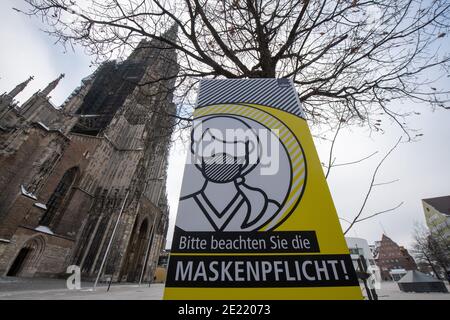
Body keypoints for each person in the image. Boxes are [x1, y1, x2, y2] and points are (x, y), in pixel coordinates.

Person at [176, 116, 280, 232]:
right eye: (212, 147)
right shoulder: (186, 211)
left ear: (246, 158)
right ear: (198, 153)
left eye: (233, 149)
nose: (222, 155)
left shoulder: (266, 210)